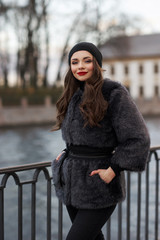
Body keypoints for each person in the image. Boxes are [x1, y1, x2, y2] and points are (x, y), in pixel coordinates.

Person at [51, 42, 150, 240]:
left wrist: (113, 169)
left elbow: (139, 139)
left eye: (87, 61)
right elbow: (78, 137)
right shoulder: (72, 94)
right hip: (71, 184)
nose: (80, 66)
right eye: (74, 62)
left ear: (96, 64)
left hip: (99, 185)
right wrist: (65, 154)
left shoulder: (113, 93)